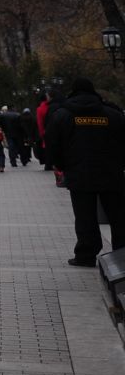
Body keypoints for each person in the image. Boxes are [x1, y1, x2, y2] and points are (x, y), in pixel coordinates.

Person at [46, 78, 125, 267]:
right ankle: (122, 252)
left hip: (79, 172)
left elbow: (53, 144)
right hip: (111, 172)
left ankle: (86, 254)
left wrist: (62, 165)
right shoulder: (112, 114)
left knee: (84, 216)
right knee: (118, 215)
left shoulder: (62, 115)